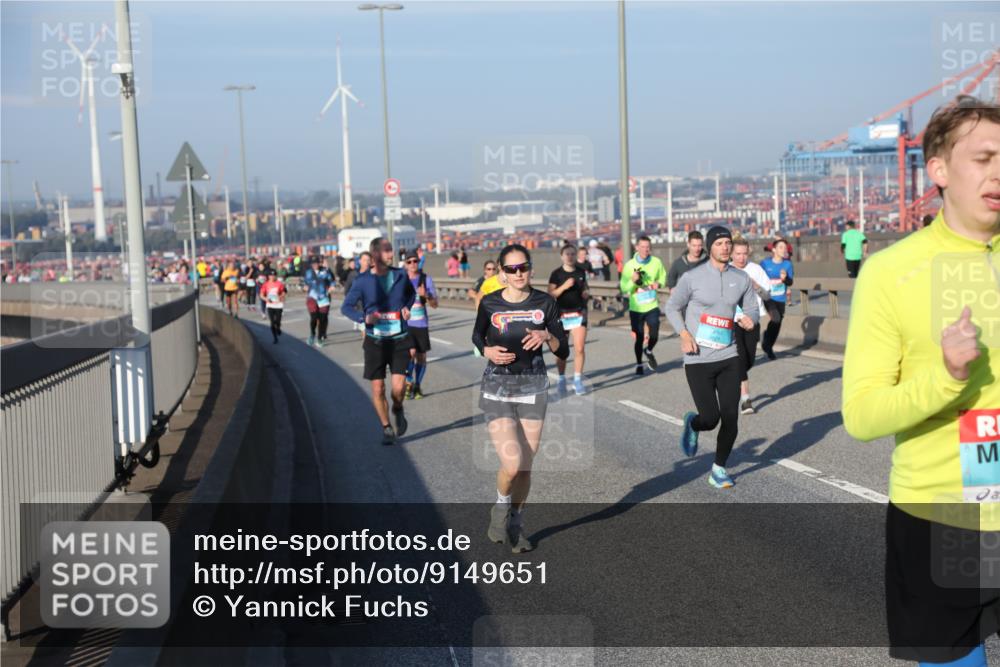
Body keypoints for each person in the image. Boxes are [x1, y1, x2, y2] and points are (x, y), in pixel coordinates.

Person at [843, 95, 1000, 667]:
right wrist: (946, 376)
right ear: (938, 170)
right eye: (984, 157)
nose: (999, 172)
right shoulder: (890, 273)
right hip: (943, 517)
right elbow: (861, 414)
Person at [472, 243, 568, 553]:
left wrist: (546, 336)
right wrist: (485, 350)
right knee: (511, 464)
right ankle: (500, 507)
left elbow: (562, 348)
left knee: (526, 466)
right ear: (501, 273)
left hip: (533, 385)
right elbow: (477, 336)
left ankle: (516, 523)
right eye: (510, 269)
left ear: (530, 268)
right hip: (497, 384)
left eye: (522, 267)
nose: (517, 273)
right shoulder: (489, 303)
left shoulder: (546, 303)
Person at [665, 226, 759, 489]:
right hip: (697, 358)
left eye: (728, 243)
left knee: (731, 417)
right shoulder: (692, 277)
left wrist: (751, 319)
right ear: (710, 248)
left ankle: (718, 469)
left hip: (728, 355)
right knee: (711, 418)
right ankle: (693, 424)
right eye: (719, 243)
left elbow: (751, 305)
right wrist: (683, 334)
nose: (725, 248)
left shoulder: (740, 278)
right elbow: (671, 306)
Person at [341, 238, 416, 446]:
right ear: (375, 255)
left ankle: (398, 408)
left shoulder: (400, 275)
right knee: (378, 389)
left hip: (399, 338)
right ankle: (386, 428)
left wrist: (406, 307)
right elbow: (346, 307)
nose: (391, 255)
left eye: (391, 251)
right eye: (386, 251)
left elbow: (411, 295)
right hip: (375, 342)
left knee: (398, 388)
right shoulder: (362, 281)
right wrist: (363, 319)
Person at [730, 237, 770, 414]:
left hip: (753, 320)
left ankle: (732, 376)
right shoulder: (726, 270)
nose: (741, 257)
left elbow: (768, 296)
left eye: (744, 254)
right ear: (731, 253)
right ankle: (746, 399)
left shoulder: (756, 270)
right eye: (737, 254)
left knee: (749, 359)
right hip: (733, 321)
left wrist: (756, 287)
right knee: (739, 358)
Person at [619, 235, 667, 375]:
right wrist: (633, 281)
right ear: (637, 248)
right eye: (643, 247)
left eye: (648, 247)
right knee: (639, 338)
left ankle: (649, 350)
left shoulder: (656, 262)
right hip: (636, 308)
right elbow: (623, 288)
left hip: (652, 305)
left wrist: (659, 283)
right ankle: (639, 363)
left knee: (655, 332)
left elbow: (663, 277)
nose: (646, 250)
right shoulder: (629, 266)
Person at [548, 244, 590, 395]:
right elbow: (551, 295)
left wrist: (585, 293)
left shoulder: (581, 272)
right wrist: (564, 286)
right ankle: (561, 378)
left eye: (573, 254)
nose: (570, 256)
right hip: (561, 315)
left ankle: (577, 380)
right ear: (562, 256)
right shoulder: (556, 274)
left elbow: (585, 288)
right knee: (562, 351)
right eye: (567, 254)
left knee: (579, 348)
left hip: (578, 314)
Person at [403, 249, 438, 399]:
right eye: (409, 262)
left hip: (421, 324)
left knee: (421, 357)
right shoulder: (402, 279)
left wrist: (426, 295)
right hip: (405, 324)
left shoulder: (426, 279)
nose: (412, 264)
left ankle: (417, 386)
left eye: (415, 261)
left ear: (418, 262)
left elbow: (435, 304)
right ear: (405, 264)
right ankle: (409, 381)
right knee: (409, 354)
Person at [759, 238, 794, 360]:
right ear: (774, 249)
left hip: (781, 298)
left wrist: (785, 279)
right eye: (780, 247)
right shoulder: (765, 264)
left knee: (778, 323)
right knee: (776, 318)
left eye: (785, 247)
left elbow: (791, 282)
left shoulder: (787, 264)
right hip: (768, 297)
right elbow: (758, 278)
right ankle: (768, 346)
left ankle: (768, 344)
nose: (783, 250)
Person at [304, 256, 335, 347]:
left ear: (319, 263)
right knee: (314, 318)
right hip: (312, 297)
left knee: (322, 319)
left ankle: (320, 338)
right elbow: (304, 282)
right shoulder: (308, 272)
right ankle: (312, 334)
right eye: (313, 264)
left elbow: (332, 281)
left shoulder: (325, 271)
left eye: (316, 263)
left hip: (323, 297)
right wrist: (304, 287)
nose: (315, 265)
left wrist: (332, 287)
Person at [259, 269, 286, 344]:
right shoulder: (266, 284)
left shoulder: (279, 284)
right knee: (272, 322)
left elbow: (283, 292)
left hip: (278, 304)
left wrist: (281, 297)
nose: (272, 277)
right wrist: (266, 299)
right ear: (268, 276)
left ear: (275, 276)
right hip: (270, 305)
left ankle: (278, 328)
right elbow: (261, 295)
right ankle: (275, 338)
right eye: (271, 275)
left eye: (274, 275)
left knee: (277, 321)